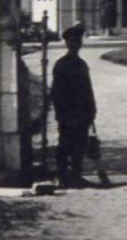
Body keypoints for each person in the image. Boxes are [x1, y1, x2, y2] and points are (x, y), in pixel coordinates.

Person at [50, 21, 96, 187]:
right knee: (65, 145)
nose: (75, 45)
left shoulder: (82, 64)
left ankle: (76, 175)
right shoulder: (61, 65)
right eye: (72, 42)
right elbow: (56, 91)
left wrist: (92, 109)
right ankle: (63, 176)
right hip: (68, 112)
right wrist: (60, 111)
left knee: (80, 145)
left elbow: (88, 89)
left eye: (78, 42)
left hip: (82, 112)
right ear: (67, 44)